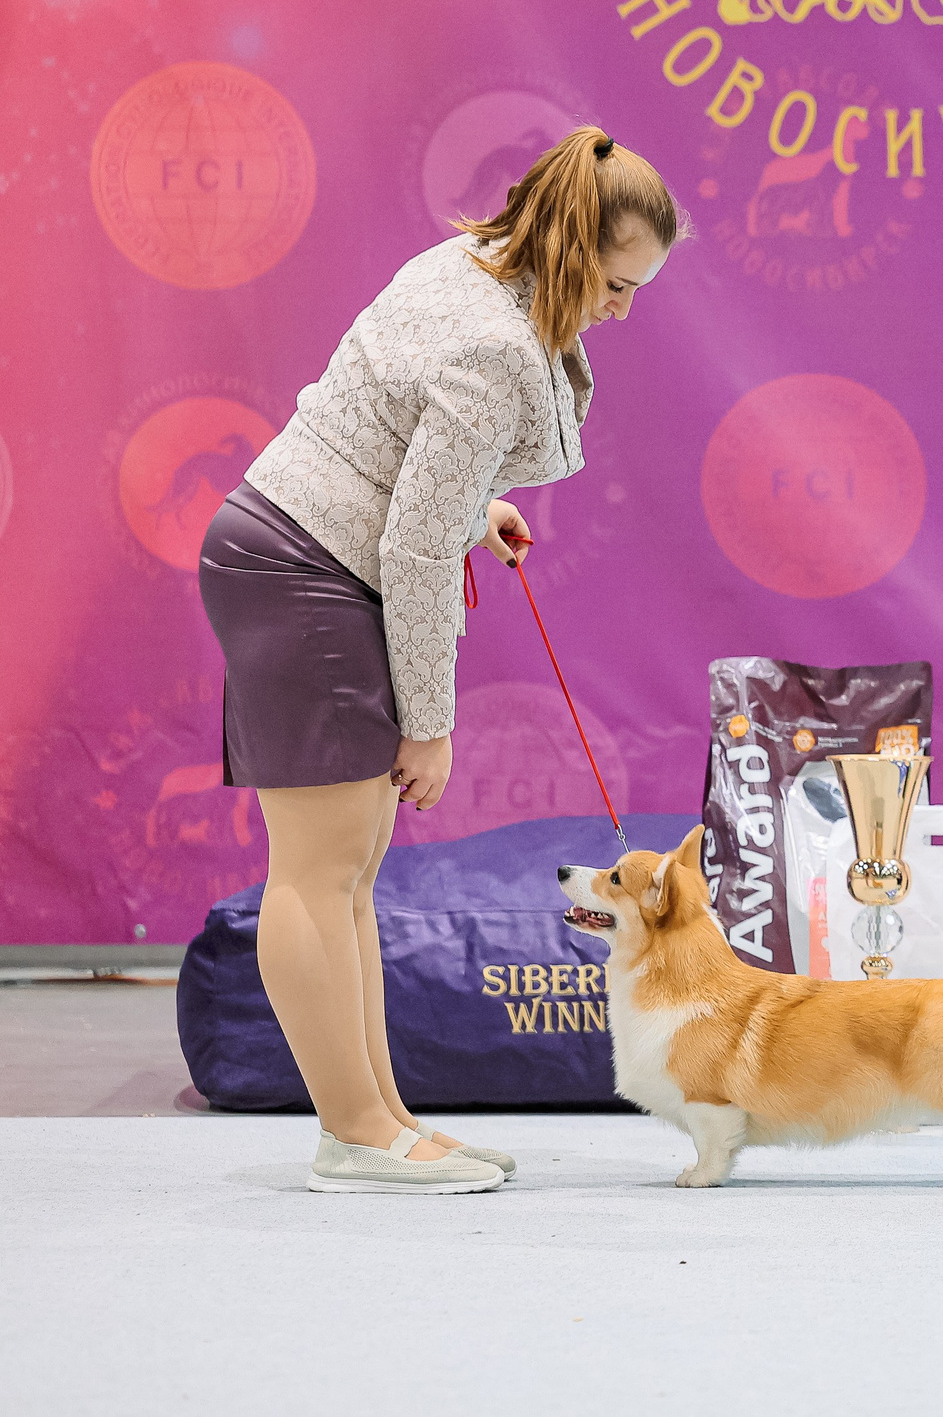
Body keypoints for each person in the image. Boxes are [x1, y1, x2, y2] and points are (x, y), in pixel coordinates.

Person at [197, 129, 682, 1193]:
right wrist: (431, 721)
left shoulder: (470, 260)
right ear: (564, 252)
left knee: (351, 869)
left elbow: (396, 450)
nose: (622, 308)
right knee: (319, 873)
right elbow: (411, 547)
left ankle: (382, 1116)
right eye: (613, 283)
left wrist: (480, 507)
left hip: (302, 549)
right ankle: (354, 1137)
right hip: (302, 569)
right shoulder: (496, 349)